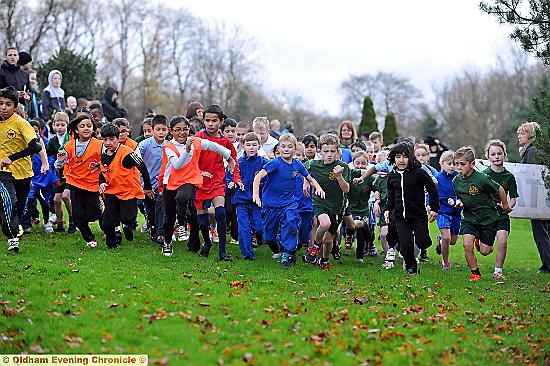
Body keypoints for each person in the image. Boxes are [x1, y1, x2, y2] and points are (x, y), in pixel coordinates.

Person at [157, 115, 235, 257]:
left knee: (183, 197)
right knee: (168, 217)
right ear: (171, 131)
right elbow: (177, 165)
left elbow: (214, 146)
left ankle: (182, 224)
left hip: (188, 180)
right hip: (171, 182)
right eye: (178, 130)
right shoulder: (169, 147)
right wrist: (187, 150)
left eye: (185, 129)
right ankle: (167, 242)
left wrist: (228, 157)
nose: (182, 133)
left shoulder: (196, 142)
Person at [253, 133, 324, 268]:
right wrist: (256, 194)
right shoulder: (275, 163)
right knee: (268, 237)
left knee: (291, 222)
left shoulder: (297, 165)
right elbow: (258, 177)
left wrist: (318, 188)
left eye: (289, 147)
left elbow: (310, 178)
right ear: (278, 148)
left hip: (289, 203)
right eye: (283, 146)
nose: (286, 149)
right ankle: (279, 246)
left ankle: (288, 253)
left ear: (295, 148)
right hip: (271, 204)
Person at [452, 146, 511, 281]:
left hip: (488, 219)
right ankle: (475, 273)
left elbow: (500, 189)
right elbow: (461, 195)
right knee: (467, 245)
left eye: (462, 164)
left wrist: (506, 206)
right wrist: (459, 201)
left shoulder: (482, 178)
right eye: (456, 164)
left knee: (485, 251)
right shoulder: (456, 181)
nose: (458, 168)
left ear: (472, 164)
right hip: (469, 219)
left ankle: (480, 240)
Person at [384, 141, 439, 275]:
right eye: (398, 157)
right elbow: (391, 195)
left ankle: (423, 243)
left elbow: (432, 188)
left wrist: (434, 208)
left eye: (405, 156)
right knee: (405, 246)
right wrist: (387, 209)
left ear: (411, 157)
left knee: (423, 242)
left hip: (418, 215)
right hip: (400, 217)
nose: (401, 160)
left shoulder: (418, 173)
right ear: (393, 158)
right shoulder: (393, 176)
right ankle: (411, 268)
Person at [195, 105, 240, 261]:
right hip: (200, 182)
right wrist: (198, 172)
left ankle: (222, 251)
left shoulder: (225, 141)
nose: (210, 124)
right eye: (207, 120)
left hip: (217, 181)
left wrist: (235, 178)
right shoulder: (198, 137)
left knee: (220, 212)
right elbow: (190, 159)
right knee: (202, 218)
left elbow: (234, 160)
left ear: (221, 122)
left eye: (214, 120)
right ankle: (207, 243)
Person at [0, 87, 42, 252]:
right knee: (8, 201)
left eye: (8, 104)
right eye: (1, 103)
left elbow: (35, 147)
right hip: (4, 172)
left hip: (23, 171)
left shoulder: (21, 123)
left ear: (15, 107)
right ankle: (12, 237)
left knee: (19, 205)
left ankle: (13, 223)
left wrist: (12, 158)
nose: (3, 107)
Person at [99, 123, 154, 249]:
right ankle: (112, 245)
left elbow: (143, 168)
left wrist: (148, 187)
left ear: (118, 139)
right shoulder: (103, 155)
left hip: (128, 192)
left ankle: (127, 225)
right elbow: (102, 172)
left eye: (111, 139)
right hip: (112, 191)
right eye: (105, 139)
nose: (108, 142)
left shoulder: (127, 153)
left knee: (127, 217)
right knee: (107, 222)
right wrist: (101, 182)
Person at [302, 134, 350, 270]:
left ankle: (324, 259)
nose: (329, 155)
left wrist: (339, 176)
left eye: (332, 151)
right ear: (320, 151)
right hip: (320, 202)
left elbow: (346, 189)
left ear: (338, 151)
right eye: (326, 151)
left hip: (336, 207)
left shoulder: (342, 167)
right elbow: (303, 169)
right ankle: (315, 247)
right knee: (324, 223)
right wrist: (306, 181)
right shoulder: (314, 164)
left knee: (329, 239)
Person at [56, 115, 103, 248]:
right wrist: (60, 160)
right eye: (82, 126)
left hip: (93, 184)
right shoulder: (69, 145)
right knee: (77, 217)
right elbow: (58, 164)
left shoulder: (100, 145)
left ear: (93, 128)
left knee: (93, 214)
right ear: (76, 130)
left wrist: (99, 166)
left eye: (89, 126)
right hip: (74, 183)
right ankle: (90, 239)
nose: (86, 128)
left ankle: (100, 209)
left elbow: (107, 162)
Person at [483, 139, 518, 279]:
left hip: (502, 215)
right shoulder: (484, 175)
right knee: (486, 251)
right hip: (487, 216)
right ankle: (480, 242)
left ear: (504, 155)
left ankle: (498, 272)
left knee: (502, 242)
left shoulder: (509, 177)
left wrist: (507, 206)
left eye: (499, 153)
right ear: (488, 156)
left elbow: (514, 198)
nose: (496, 156)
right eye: (493, 154)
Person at [517, 121, 550, 274]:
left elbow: (533, 175)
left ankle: (547, 265)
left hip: (538, 200)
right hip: (541, 200)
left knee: (541, 233)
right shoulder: (534, 149)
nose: (519, 136)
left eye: (522, 133)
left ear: (531, 134)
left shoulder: (532, 151)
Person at [234, 132, 265, 260]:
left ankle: (258, 238)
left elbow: (272, 175)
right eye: (248, 145)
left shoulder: (264, 162)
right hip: (241, 201)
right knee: (244, 229)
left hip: (257, 201)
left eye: (254, 145)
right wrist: (233, 182)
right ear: (243, 146)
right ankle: (248, 255)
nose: (251, 147)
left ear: (259, 146)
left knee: (259, 227)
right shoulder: (238, 163)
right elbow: (231, 176)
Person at [138, 115, 168, 244]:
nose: (161, 132)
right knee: (150, 210)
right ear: (152, 129)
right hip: (146, 183)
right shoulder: (144, 145)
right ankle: (153, 230)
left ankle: (161, 233)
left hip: (162, 184)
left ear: (168, 130)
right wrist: (144, 184)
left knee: (161, 206)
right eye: (158, 129)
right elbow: (137, 162)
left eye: (164, 129)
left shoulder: (169, 146)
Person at [46, 112, 74, 233]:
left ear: (67, 126)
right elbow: (47, 153)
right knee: (56, 199)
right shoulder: (52, 141)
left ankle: (73, 220)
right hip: (58, 174)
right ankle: (60, 222)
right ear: (53, 126)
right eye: (57, 125)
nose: (60, 127)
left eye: (63, 125)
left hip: (71, 173)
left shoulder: (71, 139)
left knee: (66, 196)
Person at [346, 151, 376, 262]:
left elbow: (376, 186)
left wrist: (377, 192)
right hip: (350, 209)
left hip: (364, 209)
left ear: (368, 163)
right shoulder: (350, 174)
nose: (360, 166)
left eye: (363, 163)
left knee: (362, 234)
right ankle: (348, 234)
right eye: (357, 163)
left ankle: (360, 256)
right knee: (353, 226)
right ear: (353, 163)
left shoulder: (369, 177)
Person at [434, 150, 461, 270]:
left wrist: (455, 201)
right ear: (442, 164)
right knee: (447, 238)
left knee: (453, 241)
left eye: (454, 164)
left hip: (456, 213)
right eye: (449, 163)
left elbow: (462, 195)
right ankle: (445, 262)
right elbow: (431, 193)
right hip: (442, 212)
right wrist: (430, 206)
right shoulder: (437, 179)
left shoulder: (459, 178)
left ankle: (441, 242)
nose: (452, 166)